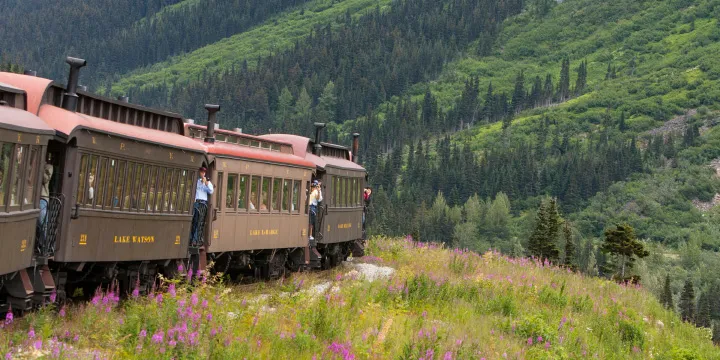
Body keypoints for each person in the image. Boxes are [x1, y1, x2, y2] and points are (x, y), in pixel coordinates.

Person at [191, 166, 214, 245]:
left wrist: (206, 183)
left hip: (203, 203)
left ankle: (196, 239)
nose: (203, 173)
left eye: (204, 172)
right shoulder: (197, 181)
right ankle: (193, 238)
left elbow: (211, 191)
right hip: (196, 202)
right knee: (195, 220)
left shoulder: (207, 182)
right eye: (201, 172)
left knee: (200, 221)